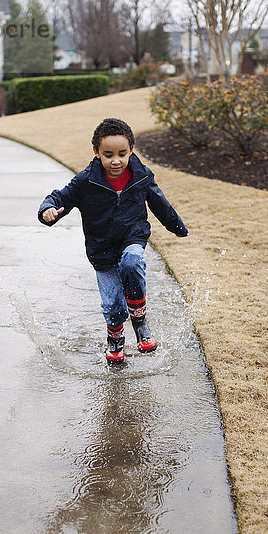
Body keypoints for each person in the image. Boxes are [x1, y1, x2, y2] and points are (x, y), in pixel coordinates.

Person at [38, 117, 188, 364]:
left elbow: (159, 203)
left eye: (122, 153)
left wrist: (177, 227)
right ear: (96, 152)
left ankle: (140, 322)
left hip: (132, 235)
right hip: (102, 248)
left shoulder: (141, 176)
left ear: (131, 150)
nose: (115, 161)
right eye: (108, 154)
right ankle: (115, 338)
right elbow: (59, 197)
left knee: (132, 262)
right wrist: (48, 211)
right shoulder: (86, 181)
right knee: (112, 303)